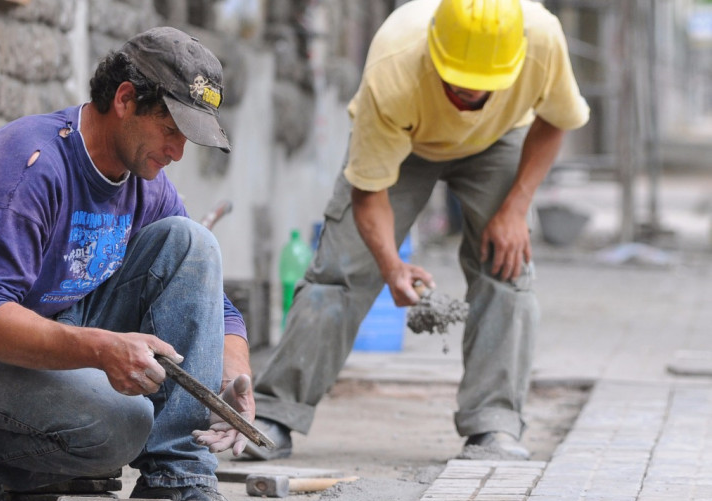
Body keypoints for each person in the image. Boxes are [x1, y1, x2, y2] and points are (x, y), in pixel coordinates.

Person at [0, 27, 253, 501]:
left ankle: (177, 476)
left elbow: (210, 300)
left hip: (50, 327)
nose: (178, 152)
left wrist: (232, 376)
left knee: (193, 243)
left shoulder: (145, 181)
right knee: (123, 423)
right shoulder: (31, 165)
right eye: (171, 129)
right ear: (124, 99)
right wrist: (100, 350)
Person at [244, 0, 589, 461]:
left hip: (499, 139)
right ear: (434, 53)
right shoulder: (395, 61)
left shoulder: (542, 39)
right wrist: (392, 267)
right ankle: (274, 414)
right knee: (342, 270)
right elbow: (368, 195)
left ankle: (494, 425)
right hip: (405, 141)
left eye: (482, 87)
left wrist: (515, 207)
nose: (469, 96)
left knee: (508, 268)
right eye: (457, 83)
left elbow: (558, 119)